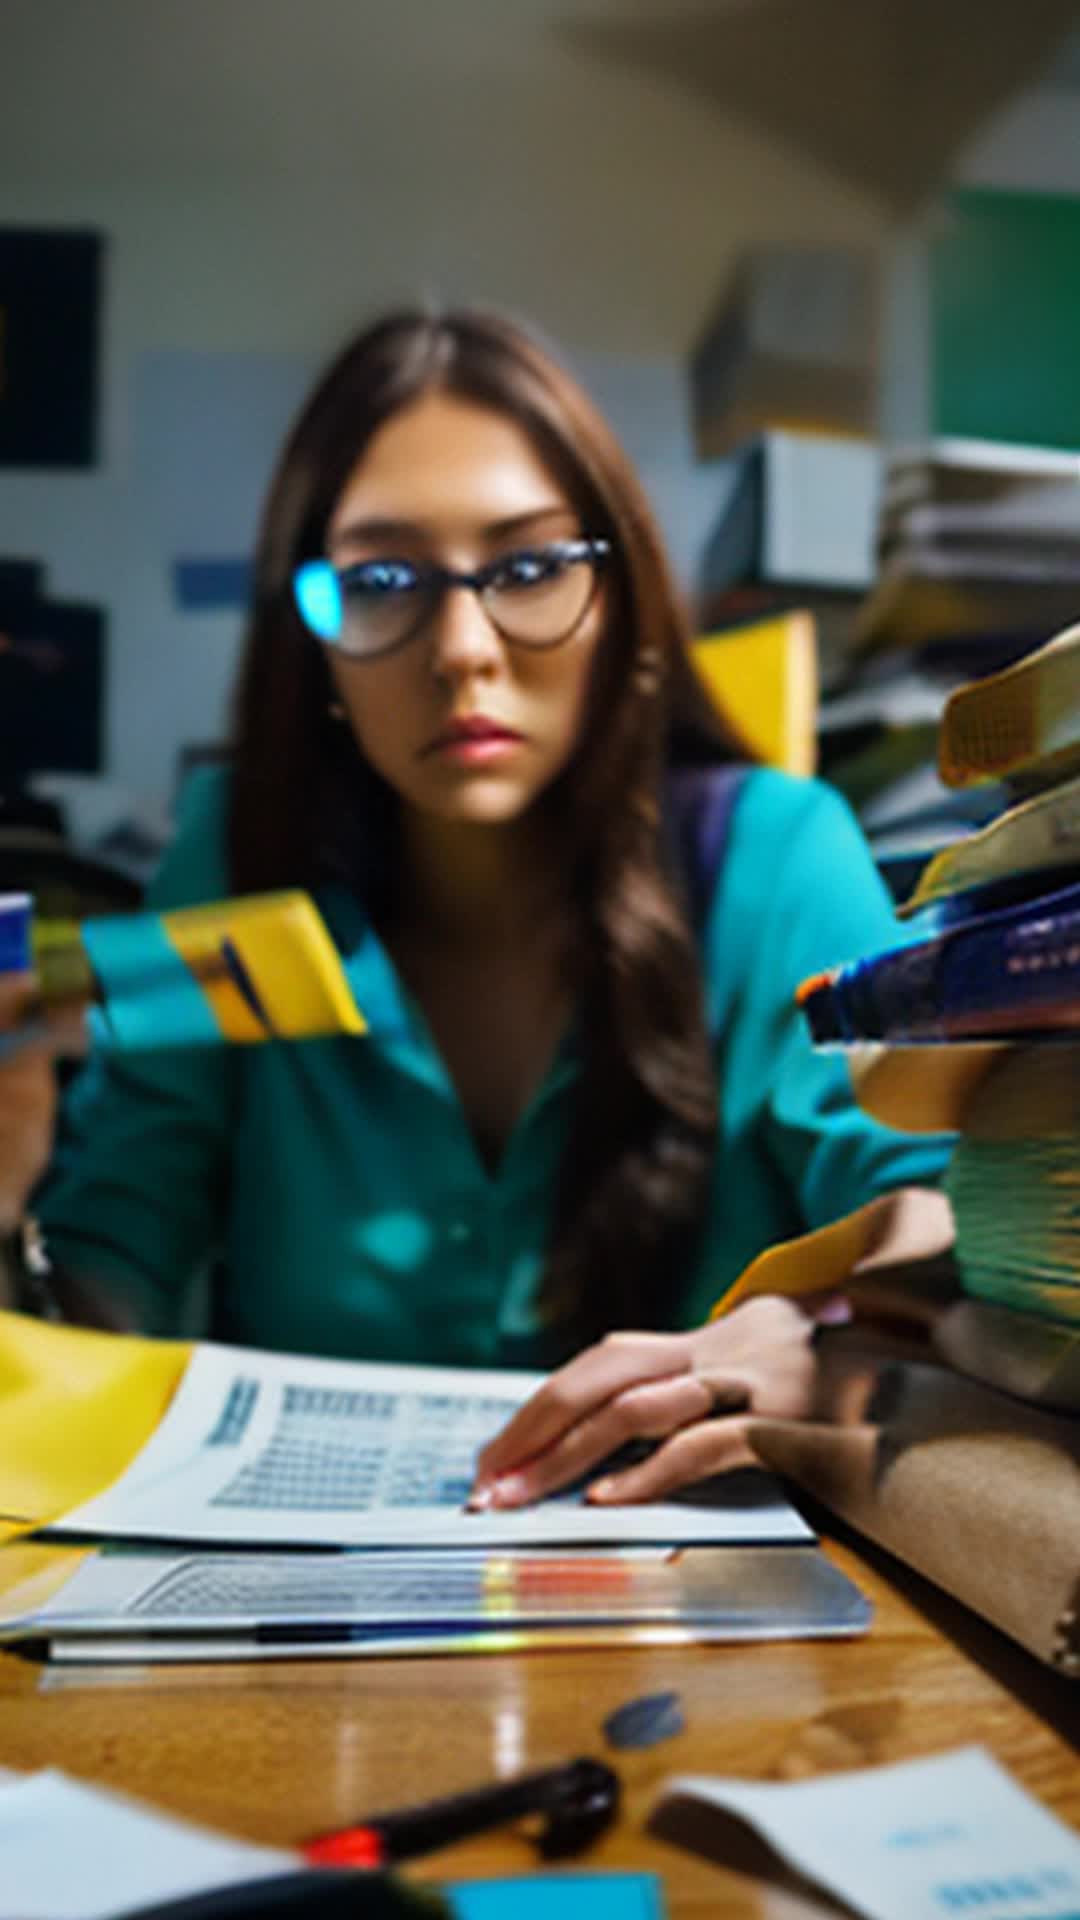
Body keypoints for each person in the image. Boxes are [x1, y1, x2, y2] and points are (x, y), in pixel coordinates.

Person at [0, 306, 953, 1499]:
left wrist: (820, 1330)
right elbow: (104, 1284)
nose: (461, 647)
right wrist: (7, 1208)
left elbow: (937, 1206)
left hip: (710, 1623)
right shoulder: (230, 862)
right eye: (381, 580)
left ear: (625, 609)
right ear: (319, 646)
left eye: (531, 566)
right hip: (306, 1646)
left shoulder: (778, 851)